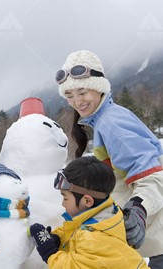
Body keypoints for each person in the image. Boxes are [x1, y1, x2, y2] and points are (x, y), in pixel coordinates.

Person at [56, 50, 163, 268]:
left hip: (156, 234)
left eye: (82, 92)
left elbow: (154, 177)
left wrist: (138, 211)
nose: (76, 101)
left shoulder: (112, 124)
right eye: (69, 95)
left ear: (98, 87)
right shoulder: (106, 119)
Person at [30, 156, 149, 268]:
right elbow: (75, 230)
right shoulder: (106, 213)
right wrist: (58, 238)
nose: (63, 203)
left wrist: (50, 252)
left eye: (65, 198)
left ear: (87, 201)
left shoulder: (95, 239)